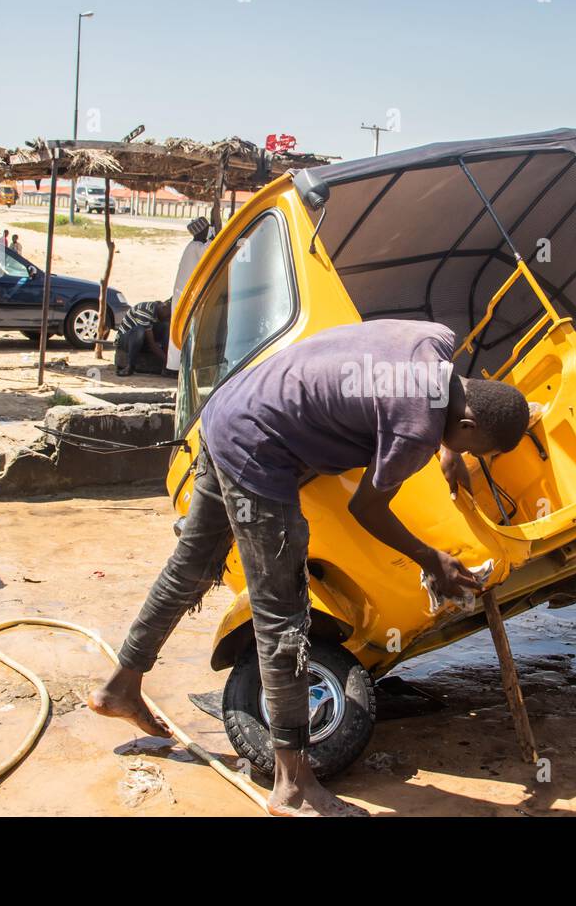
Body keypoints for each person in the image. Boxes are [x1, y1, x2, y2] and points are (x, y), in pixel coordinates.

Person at [90, 320, 531, 815]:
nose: (463, 455)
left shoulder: (435, 340)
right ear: (467, 426)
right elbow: (367, 510)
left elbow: (416, 394)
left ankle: (119, 687)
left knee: (191, 566)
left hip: (229, 410)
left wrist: (450, 445)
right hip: (258, 450)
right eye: (470, 448)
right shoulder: (415, 431)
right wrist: (433, 559)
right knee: (284, 615)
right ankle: (293, 784)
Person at [166, 216, 213, 371]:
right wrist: (214, 238)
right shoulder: (196, 247)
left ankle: (176, 365)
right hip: (187, 299)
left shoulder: (191, 246)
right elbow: (210, 253)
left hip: (182, 297)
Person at [113, 298, 173, 376]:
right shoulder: (144, 310)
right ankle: (130, 366)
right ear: (163, 307)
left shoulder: (160, 312)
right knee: (139, 331)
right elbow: (152, 344)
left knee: (166, 326)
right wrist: (169, 362)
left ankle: (165, 369)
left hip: (141, 340)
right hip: (125, 340)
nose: (169, 318)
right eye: (168, 315)